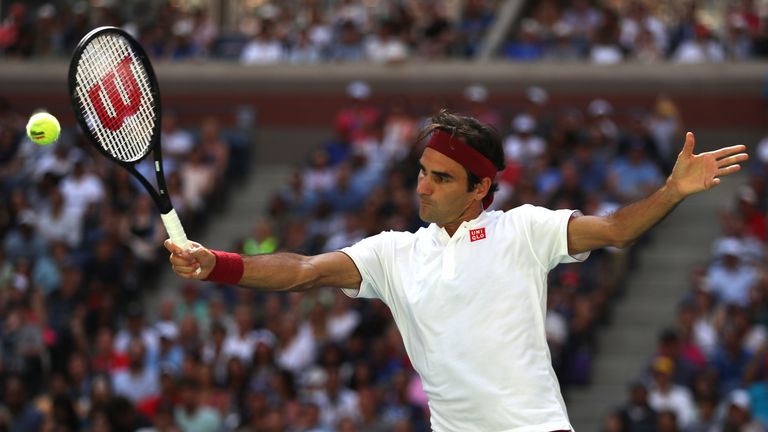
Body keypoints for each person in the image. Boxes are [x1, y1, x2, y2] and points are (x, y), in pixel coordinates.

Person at [166, 110, 748, 431]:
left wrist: (672, 192)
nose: (423, 184)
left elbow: (617, 230)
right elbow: (303, 271)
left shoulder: (522, 230)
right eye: (422, 171)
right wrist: (217, 263)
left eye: (441, 178)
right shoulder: (394, 252)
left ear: (480, 189)